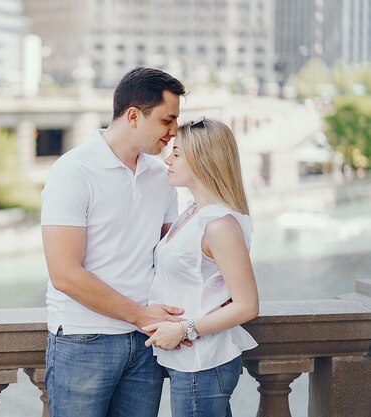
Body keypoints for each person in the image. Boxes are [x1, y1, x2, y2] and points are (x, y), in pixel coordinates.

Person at [40, 67, 186, 417]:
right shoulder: (73, 171)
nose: (173, 132)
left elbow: (170, 255)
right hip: (84, 338)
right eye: (167, 120)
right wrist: (141, 316)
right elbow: (64, 274)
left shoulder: (161, 176)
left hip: (147, 339)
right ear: (134, 116)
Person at [144, 117, 259, 417]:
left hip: (203, 363)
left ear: (203, 159)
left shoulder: (220, 225)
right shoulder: (192, 213)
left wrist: (184, 330)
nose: (168, 159)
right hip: (189, 362)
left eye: (178, 153)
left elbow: (247, 306)